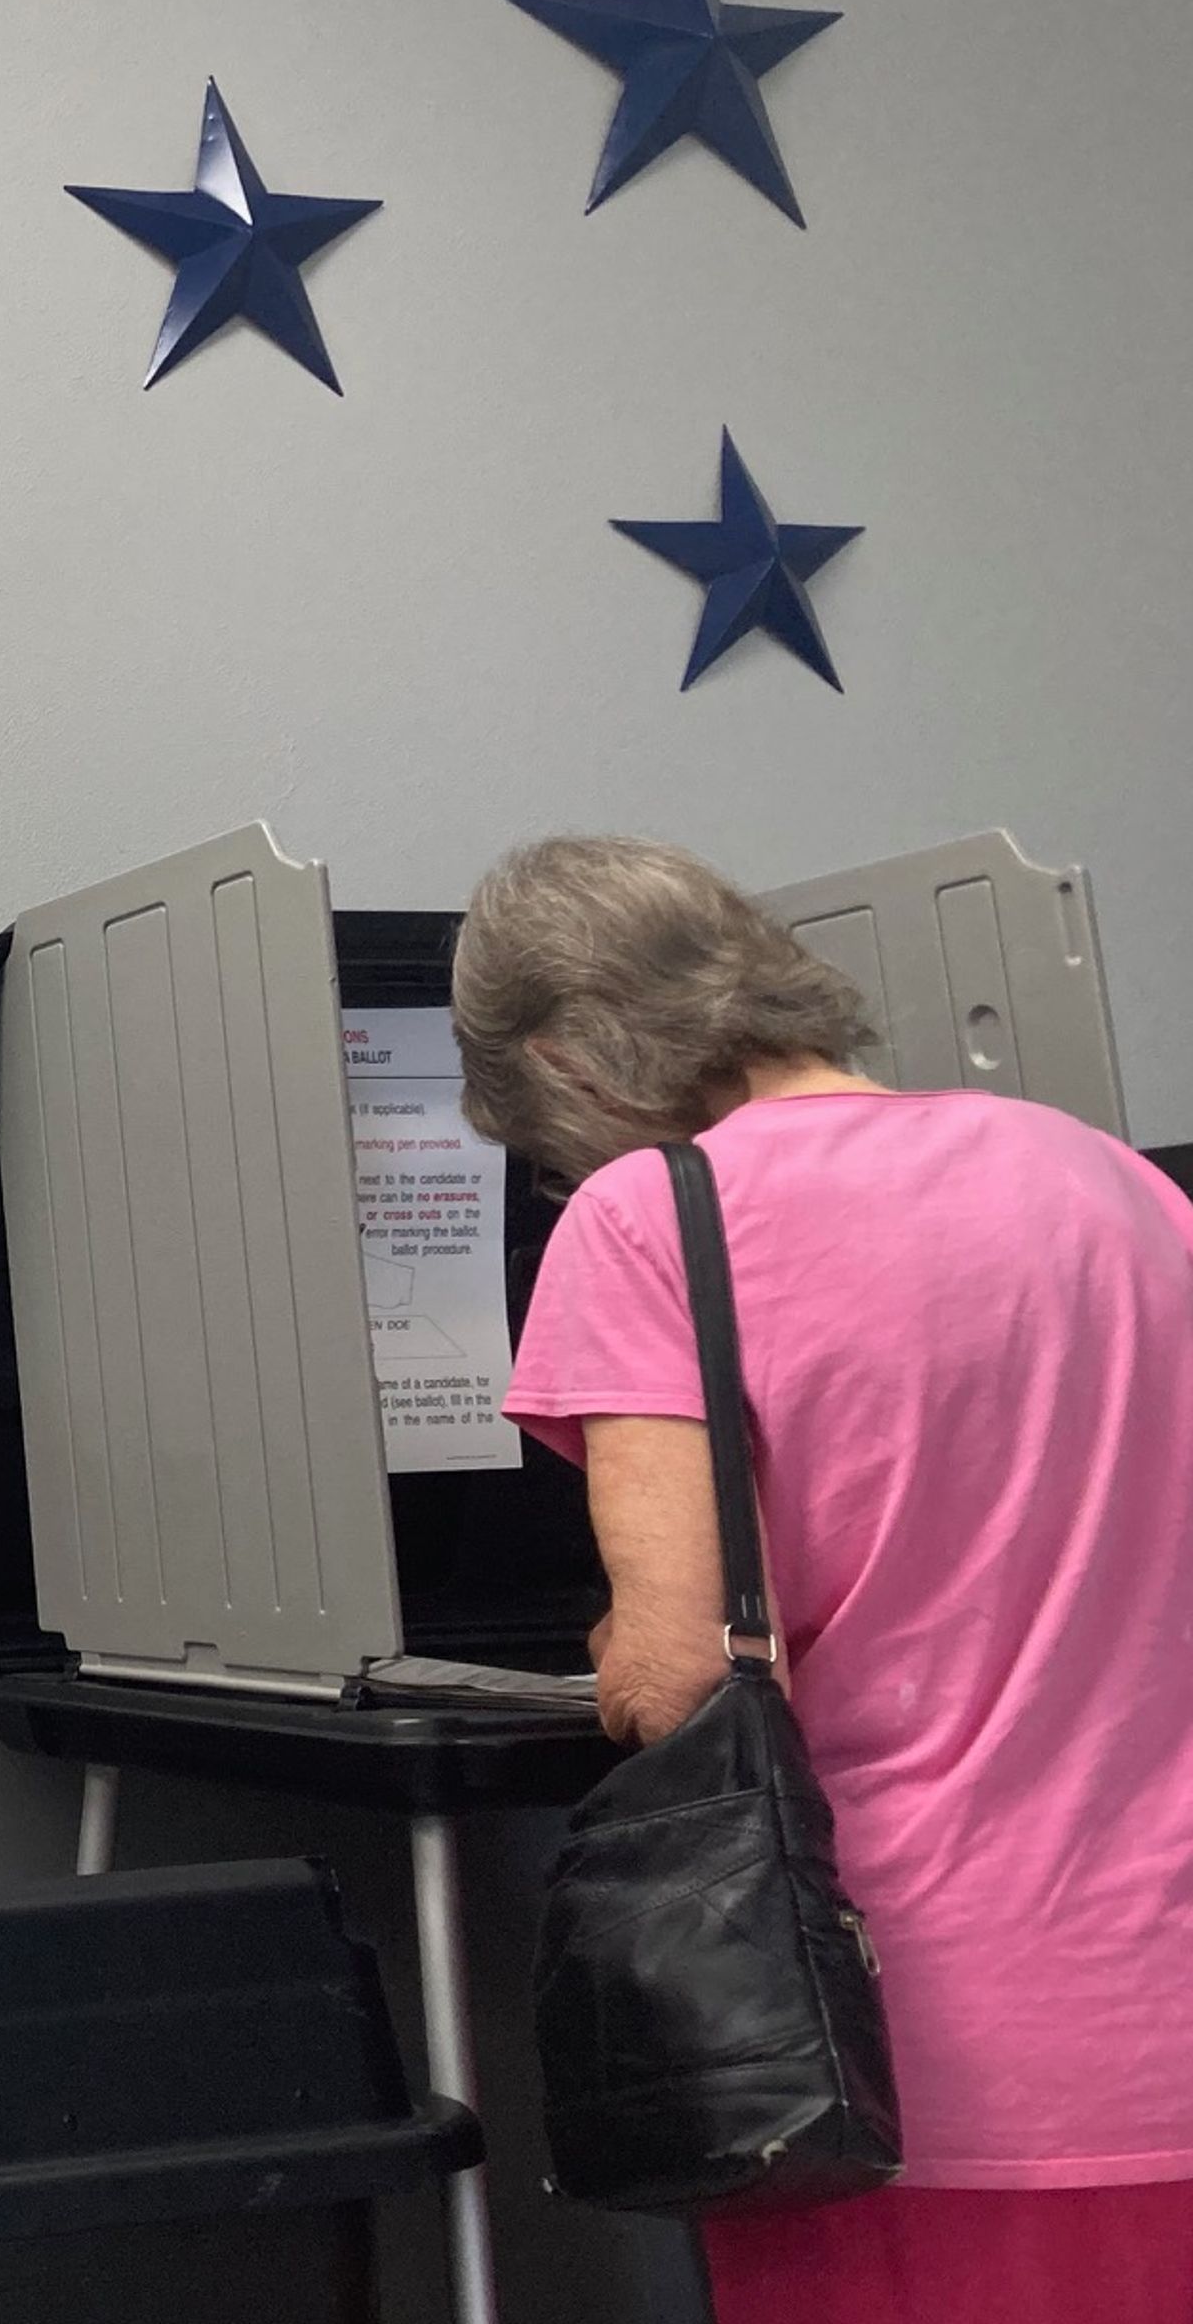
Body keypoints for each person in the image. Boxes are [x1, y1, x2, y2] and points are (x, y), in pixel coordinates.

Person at [454, 835, 1193, 2324]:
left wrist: (611, 1637)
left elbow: (684, 1673)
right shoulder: (1112, 1179)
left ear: (570, 1062)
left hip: (903, 2049)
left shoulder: (656, 1218)